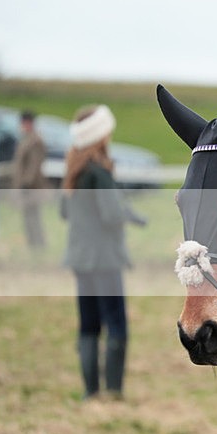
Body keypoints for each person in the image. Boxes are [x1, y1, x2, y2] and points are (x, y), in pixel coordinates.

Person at [61, 104, 146, 401]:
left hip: (80, 259)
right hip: (105, 261)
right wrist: (130, 215)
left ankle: (90, 392)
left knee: (88, 325)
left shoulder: (74, 170)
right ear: (99, 135)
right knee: (116, 325)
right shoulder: (100, 173)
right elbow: (110, 215)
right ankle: (114, 391)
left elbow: (64, 212)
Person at [12, 110, 48, 248]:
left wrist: (26, 183)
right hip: (27, 186)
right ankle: (32, 243)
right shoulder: (26, 138)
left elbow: (34, 165)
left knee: (33, 217)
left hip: (32, 187)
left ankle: (38, 244)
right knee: (28, 217)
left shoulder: (35, 140)